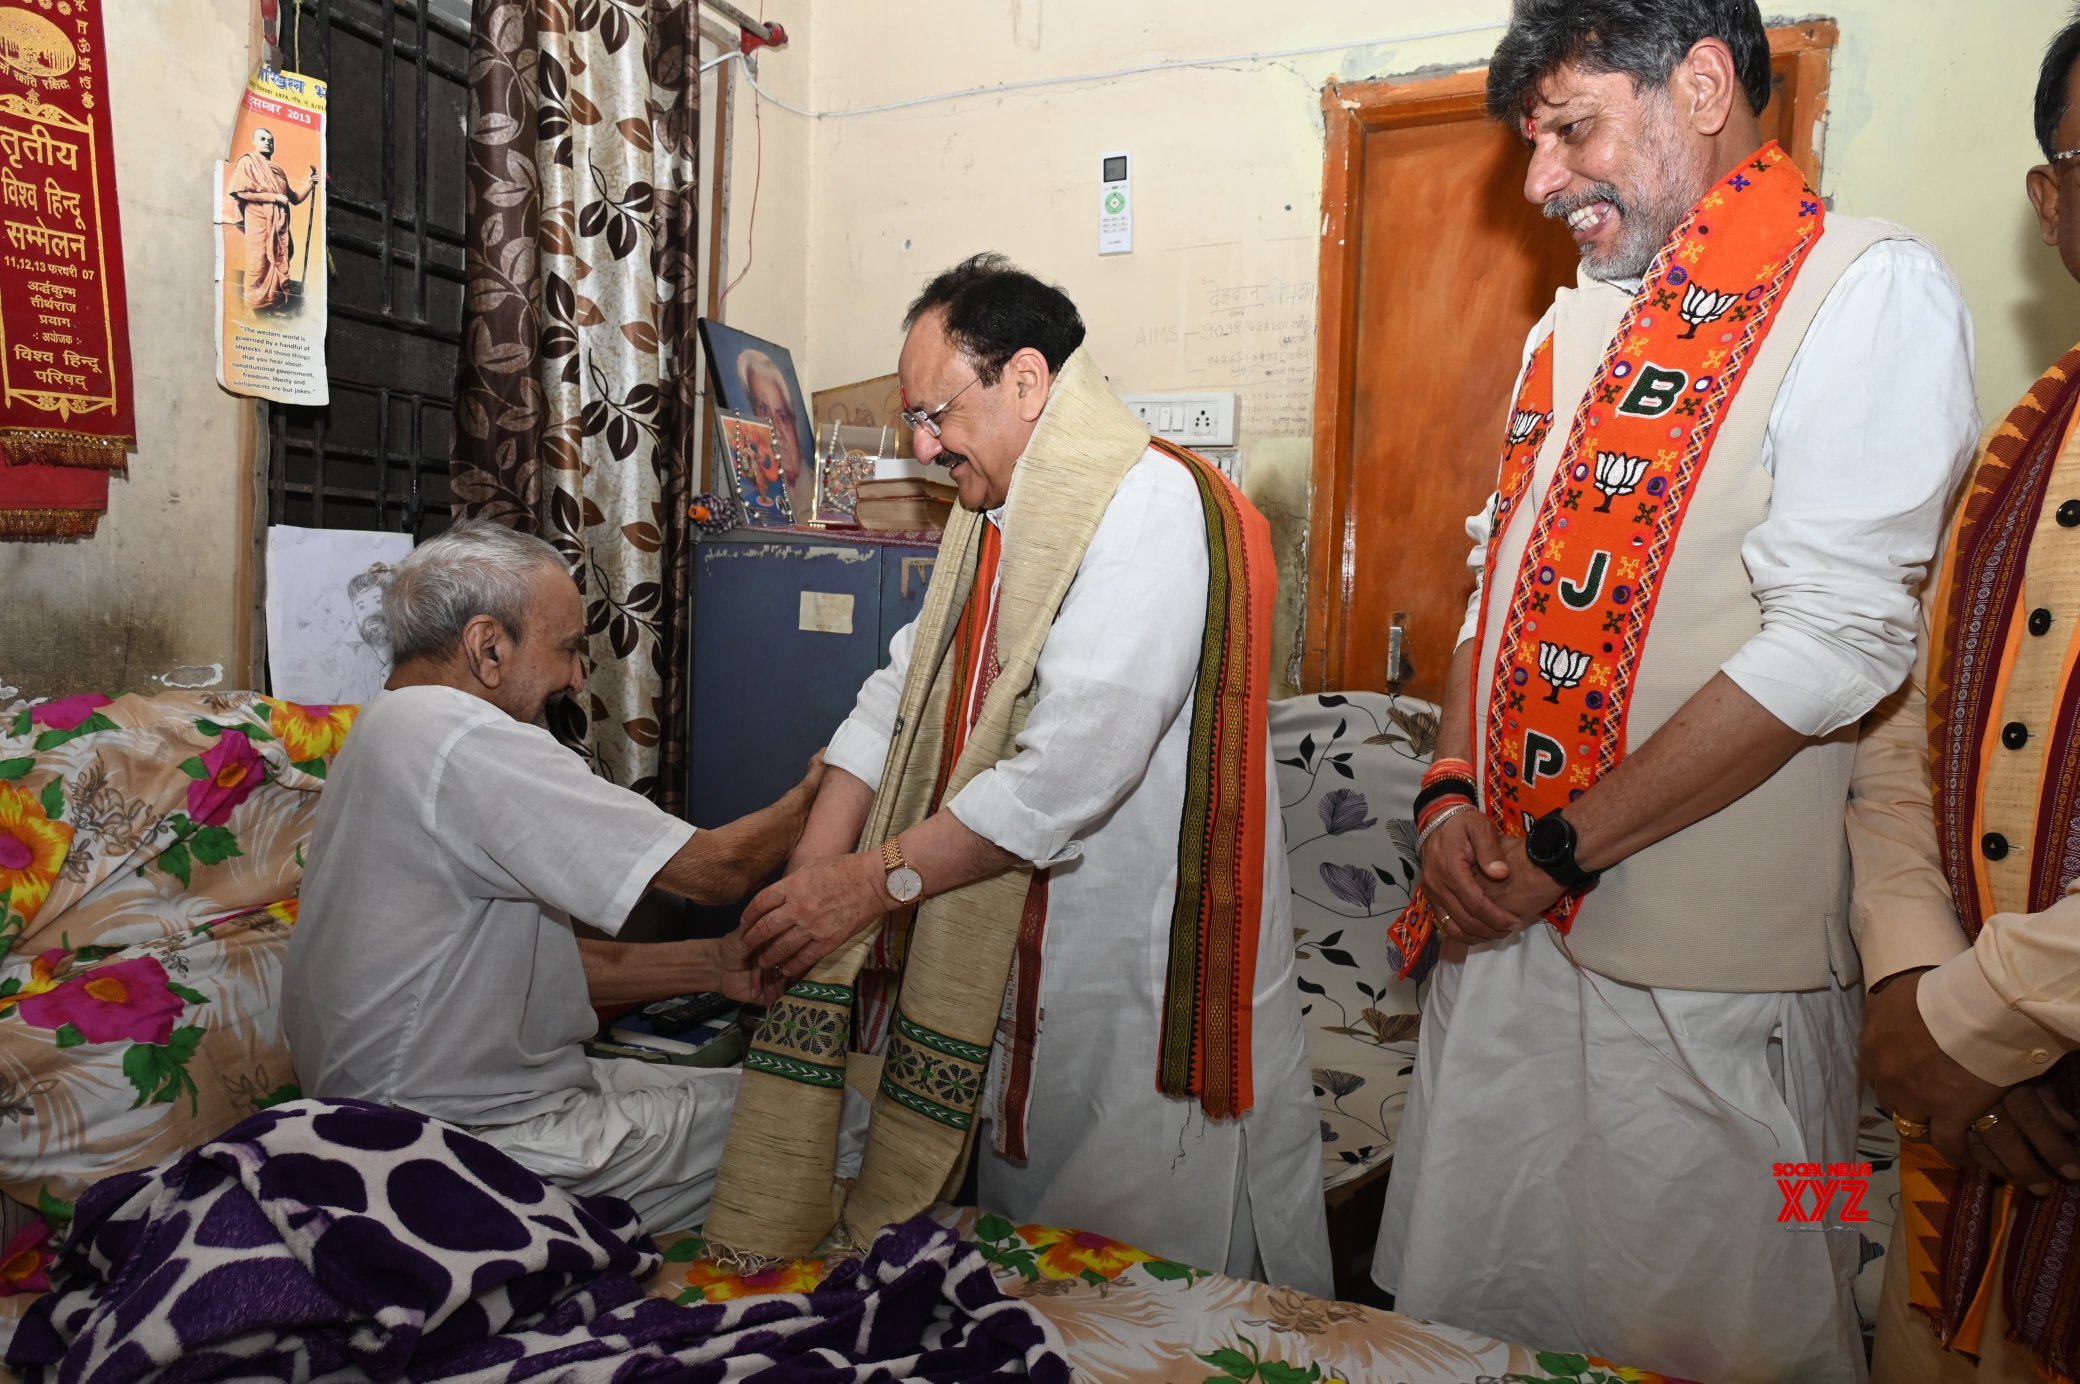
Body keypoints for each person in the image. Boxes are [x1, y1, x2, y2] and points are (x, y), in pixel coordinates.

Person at [1372, 1, 1979, 1378]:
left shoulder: (1869, 287)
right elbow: (1500, 587)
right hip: (1504, 958)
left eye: (1572, 131)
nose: (1539, 184)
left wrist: (1562, 850)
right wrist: (1451, 799)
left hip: (1722, 1001)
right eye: (1534, 145)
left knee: (1762, 1291)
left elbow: (1835, 640)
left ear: (1701, 85)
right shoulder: (1570, 328)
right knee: (1478, 1307)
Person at [701, 254, 1331, 1295]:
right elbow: (895, 699)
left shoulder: (1145, 505)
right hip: (1004, 953)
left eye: (933, 414)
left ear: (1027, 381)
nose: (920, 444)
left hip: (1130, 977)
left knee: (1138, 1296)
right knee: (1019, 1282)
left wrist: (866, 884)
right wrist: (805, 883)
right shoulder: (993, 522)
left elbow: (1064, 775)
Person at [282, 520, 866, 1234]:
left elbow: (512, 973)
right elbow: (718, 870)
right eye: (565, 650)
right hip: (456, 1151)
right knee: (834, 1117)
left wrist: (716, 964)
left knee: (751, 1087)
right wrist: (824, 787)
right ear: (487, 646)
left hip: (405, 1116)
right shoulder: (459, 735)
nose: (577, 678)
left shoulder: (385, 729)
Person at [1855, 17, 2080, 1382]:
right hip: (1975, 1153)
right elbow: (1903, 750)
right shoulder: (2015, 452)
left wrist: (1967, 1027)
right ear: (2052, 204)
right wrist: (1909, 985)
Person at [226, 128, 317, 312]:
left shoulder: (278, 170)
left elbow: (294, 198)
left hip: (280, 225)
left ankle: (271, 305)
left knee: (280, 258)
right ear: (254, 141)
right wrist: (274, 198)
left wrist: (309, 183)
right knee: (257, 263)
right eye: (262, 139)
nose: (267, 142)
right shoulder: (247, 162)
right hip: (258, 222)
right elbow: (242, 192)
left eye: (270, 140)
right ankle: (252, 308)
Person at [737, 349, 807, 507]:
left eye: (783, 417)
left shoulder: (818, 495)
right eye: (763, 411)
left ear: (796, 429)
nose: (775, 430)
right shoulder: (753, 488)